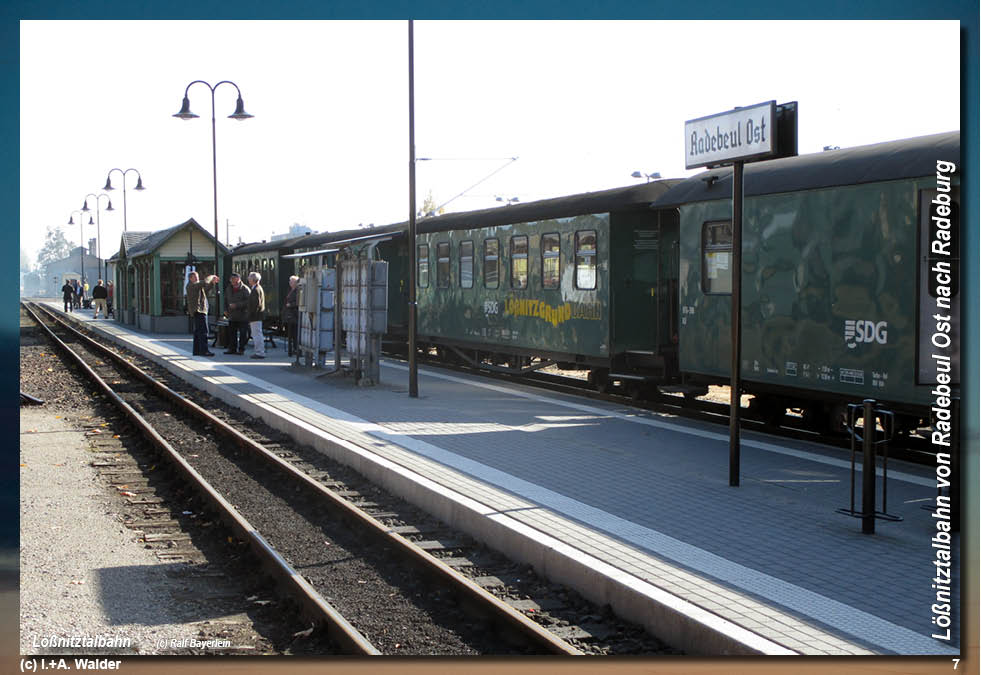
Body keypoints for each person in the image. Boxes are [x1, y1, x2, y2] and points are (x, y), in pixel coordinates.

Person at [185, 271, 219, 357]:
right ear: (190, 278)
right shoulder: (191, 286)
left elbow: (206, 288)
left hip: (200, 310)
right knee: (203, 331)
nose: (197, 279)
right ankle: (204, 350)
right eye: (195, 277)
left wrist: (212, 283)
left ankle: (197, 350)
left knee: (197, 331)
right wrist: (211, 276)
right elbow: (204, 282)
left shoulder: (196, 286)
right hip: (199, 310)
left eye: (197, 277)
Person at [224, 272, 251, 355]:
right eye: (232, 281)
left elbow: (249, 302)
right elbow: (225, 300)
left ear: (239, 280)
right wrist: (225, 309)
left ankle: (241, 349)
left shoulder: (245, 289)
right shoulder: (229, 288)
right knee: (232, 333)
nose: (233, 283)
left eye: (235, 281)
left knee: (243, 333)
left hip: (243, 315)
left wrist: (237, 305)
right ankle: (232, 348)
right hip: (232, 315)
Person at [246, 271, 266, 359]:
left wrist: (250, 314)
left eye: (249, 278)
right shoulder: (256, 288)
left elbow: (256, 304)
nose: (248, 279)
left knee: (257, 334)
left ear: (253, 279)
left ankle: (260, 352)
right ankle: (259, 351)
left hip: (255, 316)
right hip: (256, 316)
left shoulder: (256, 289)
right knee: (257, 334)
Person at [283, 275, 300, 357]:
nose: (290, 283)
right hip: (289, 315)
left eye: (292, 281)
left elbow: (298, 302)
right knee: (291, 334)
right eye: (290, 281)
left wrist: (290, 305)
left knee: (295, 333)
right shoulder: (290, 290)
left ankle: (296, 349)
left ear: (296, 283)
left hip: (294, 314)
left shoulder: (297, 291)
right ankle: (293, 349)